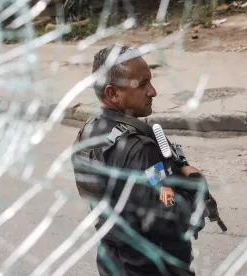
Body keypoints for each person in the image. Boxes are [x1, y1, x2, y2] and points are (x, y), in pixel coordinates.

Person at [71, 45, 212, 276]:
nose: (153, 91)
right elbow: (168, 215)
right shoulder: (140, 151)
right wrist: (195, 184)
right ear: (113, 93)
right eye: (142, 84)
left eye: (150, 81)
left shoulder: (87, 133)